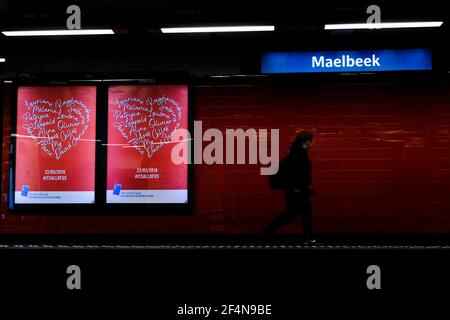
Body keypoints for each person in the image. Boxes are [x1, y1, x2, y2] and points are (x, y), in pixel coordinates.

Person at [265, 131, 316, 244]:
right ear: (302, 142)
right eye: (308, 142)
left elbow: (300, 173)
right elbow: (293, 173)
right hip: (296, 190)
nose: (310, 144)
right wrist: (296, 187)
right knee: (301, 213)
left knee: (293, 213)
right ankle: (308, 238)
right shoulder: (296, 155)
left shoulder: (298, 153)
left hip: (298, 189)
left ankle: (269, 231)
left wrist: (306, 186)